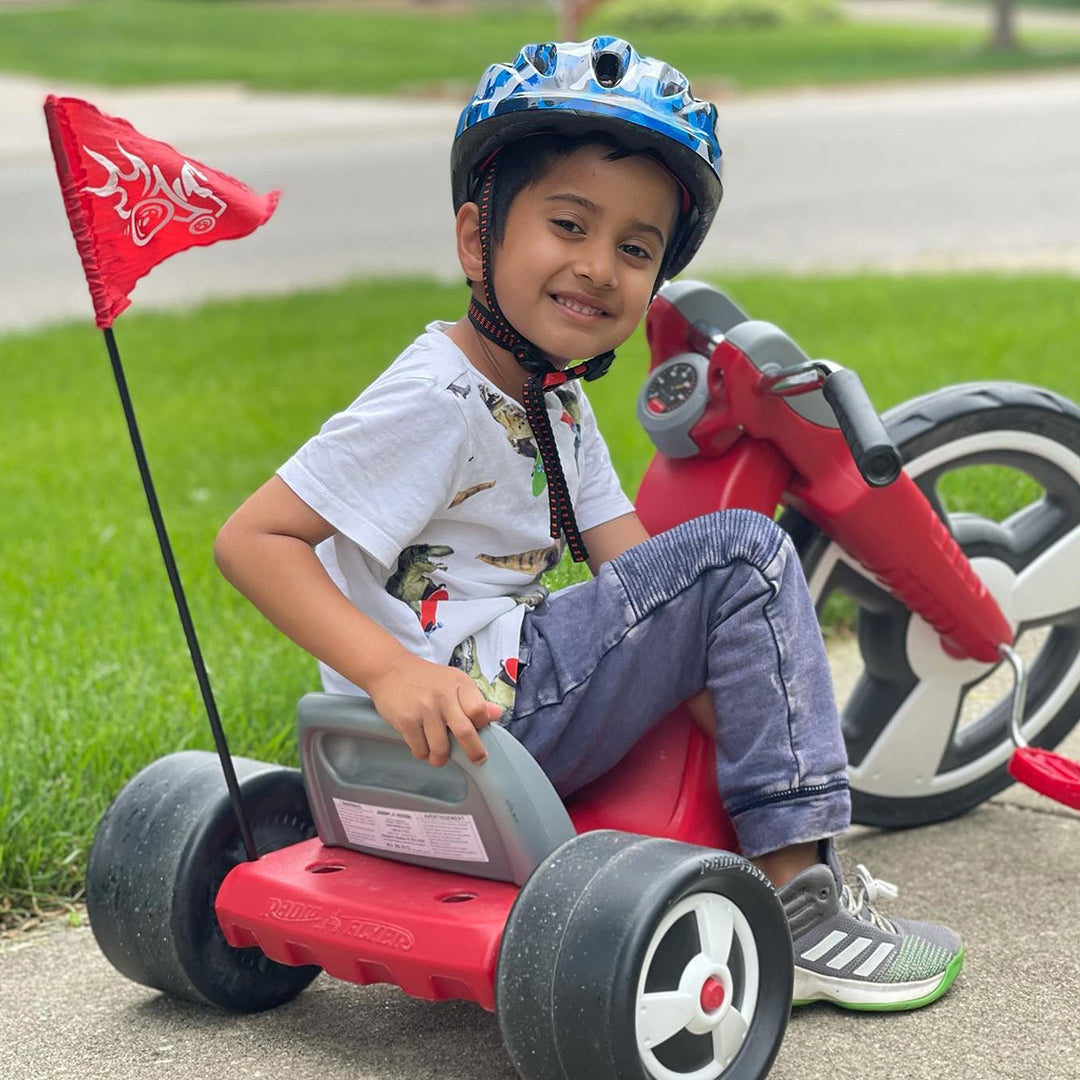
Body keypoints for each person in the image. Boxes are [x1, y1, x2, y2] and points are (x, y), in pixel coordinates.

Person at [214, 37, 963, 1012]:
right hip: (483, 710)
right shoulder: (437, 396)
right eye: (569, 224)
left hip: (470, 721)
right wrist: (392, 672)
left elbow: (639, 576)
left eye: (636, 249)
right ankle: (800, 903)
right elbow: (253, 539)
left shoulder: (555, 403)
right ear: (476, 238)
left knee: (722, 584)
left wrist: (747, 701)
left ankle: (779, 827)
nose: (600, 267)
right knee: (748, 553)